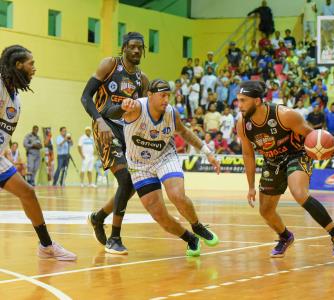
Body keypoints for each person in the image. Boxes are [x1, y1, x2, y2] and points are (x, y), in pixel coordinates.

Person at [236, 80, 334, 259]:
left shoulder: (285, 115)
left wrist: (325, 149)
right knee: (265, 211)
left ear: (257, 101)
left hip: (296, 154)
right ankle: (285, 237)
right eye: (238, 100)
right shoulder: (242, 124)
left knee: (299, 192)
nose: (239, 105)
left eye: (243, 100)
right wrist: (250, 186)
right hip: (272, 161)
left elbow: (312, 136)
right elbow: (248, 154)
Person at [119, 79, 221, 256]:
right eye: (162, 95)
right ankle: (190, 238)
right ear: (149, 95)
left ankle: (197, 226)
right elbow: (115, 111)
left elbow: (185, 132)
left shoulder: (171, 113)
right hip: (139, 165)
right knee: (159, 215)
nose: (166, 100)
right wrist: (123, 104)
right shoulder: (135, 108)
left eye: (168, 96)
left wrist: (207, 152)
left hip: (164, 156)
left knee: (177, 195)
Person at [0, 44, 76, 260]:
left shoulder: (16, 97)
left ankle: (46, 246)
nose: (35, 68)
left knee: (28, 193)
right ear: (18, 65)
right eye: (31, 63)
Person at [81, 32, 149, 253]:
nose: (136, 50)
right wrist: (98, 120)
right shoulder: (110, 64)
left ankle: (98, 217)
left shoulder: (143, 79)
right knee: (126, 178)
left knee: (131, 185)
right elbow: (85, 96)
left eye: (140, 47)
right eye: (132, 47)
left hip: (128, 131)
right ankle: (114, 238)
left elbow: (141, 112)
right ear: (124, 48)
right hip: (106, 125)